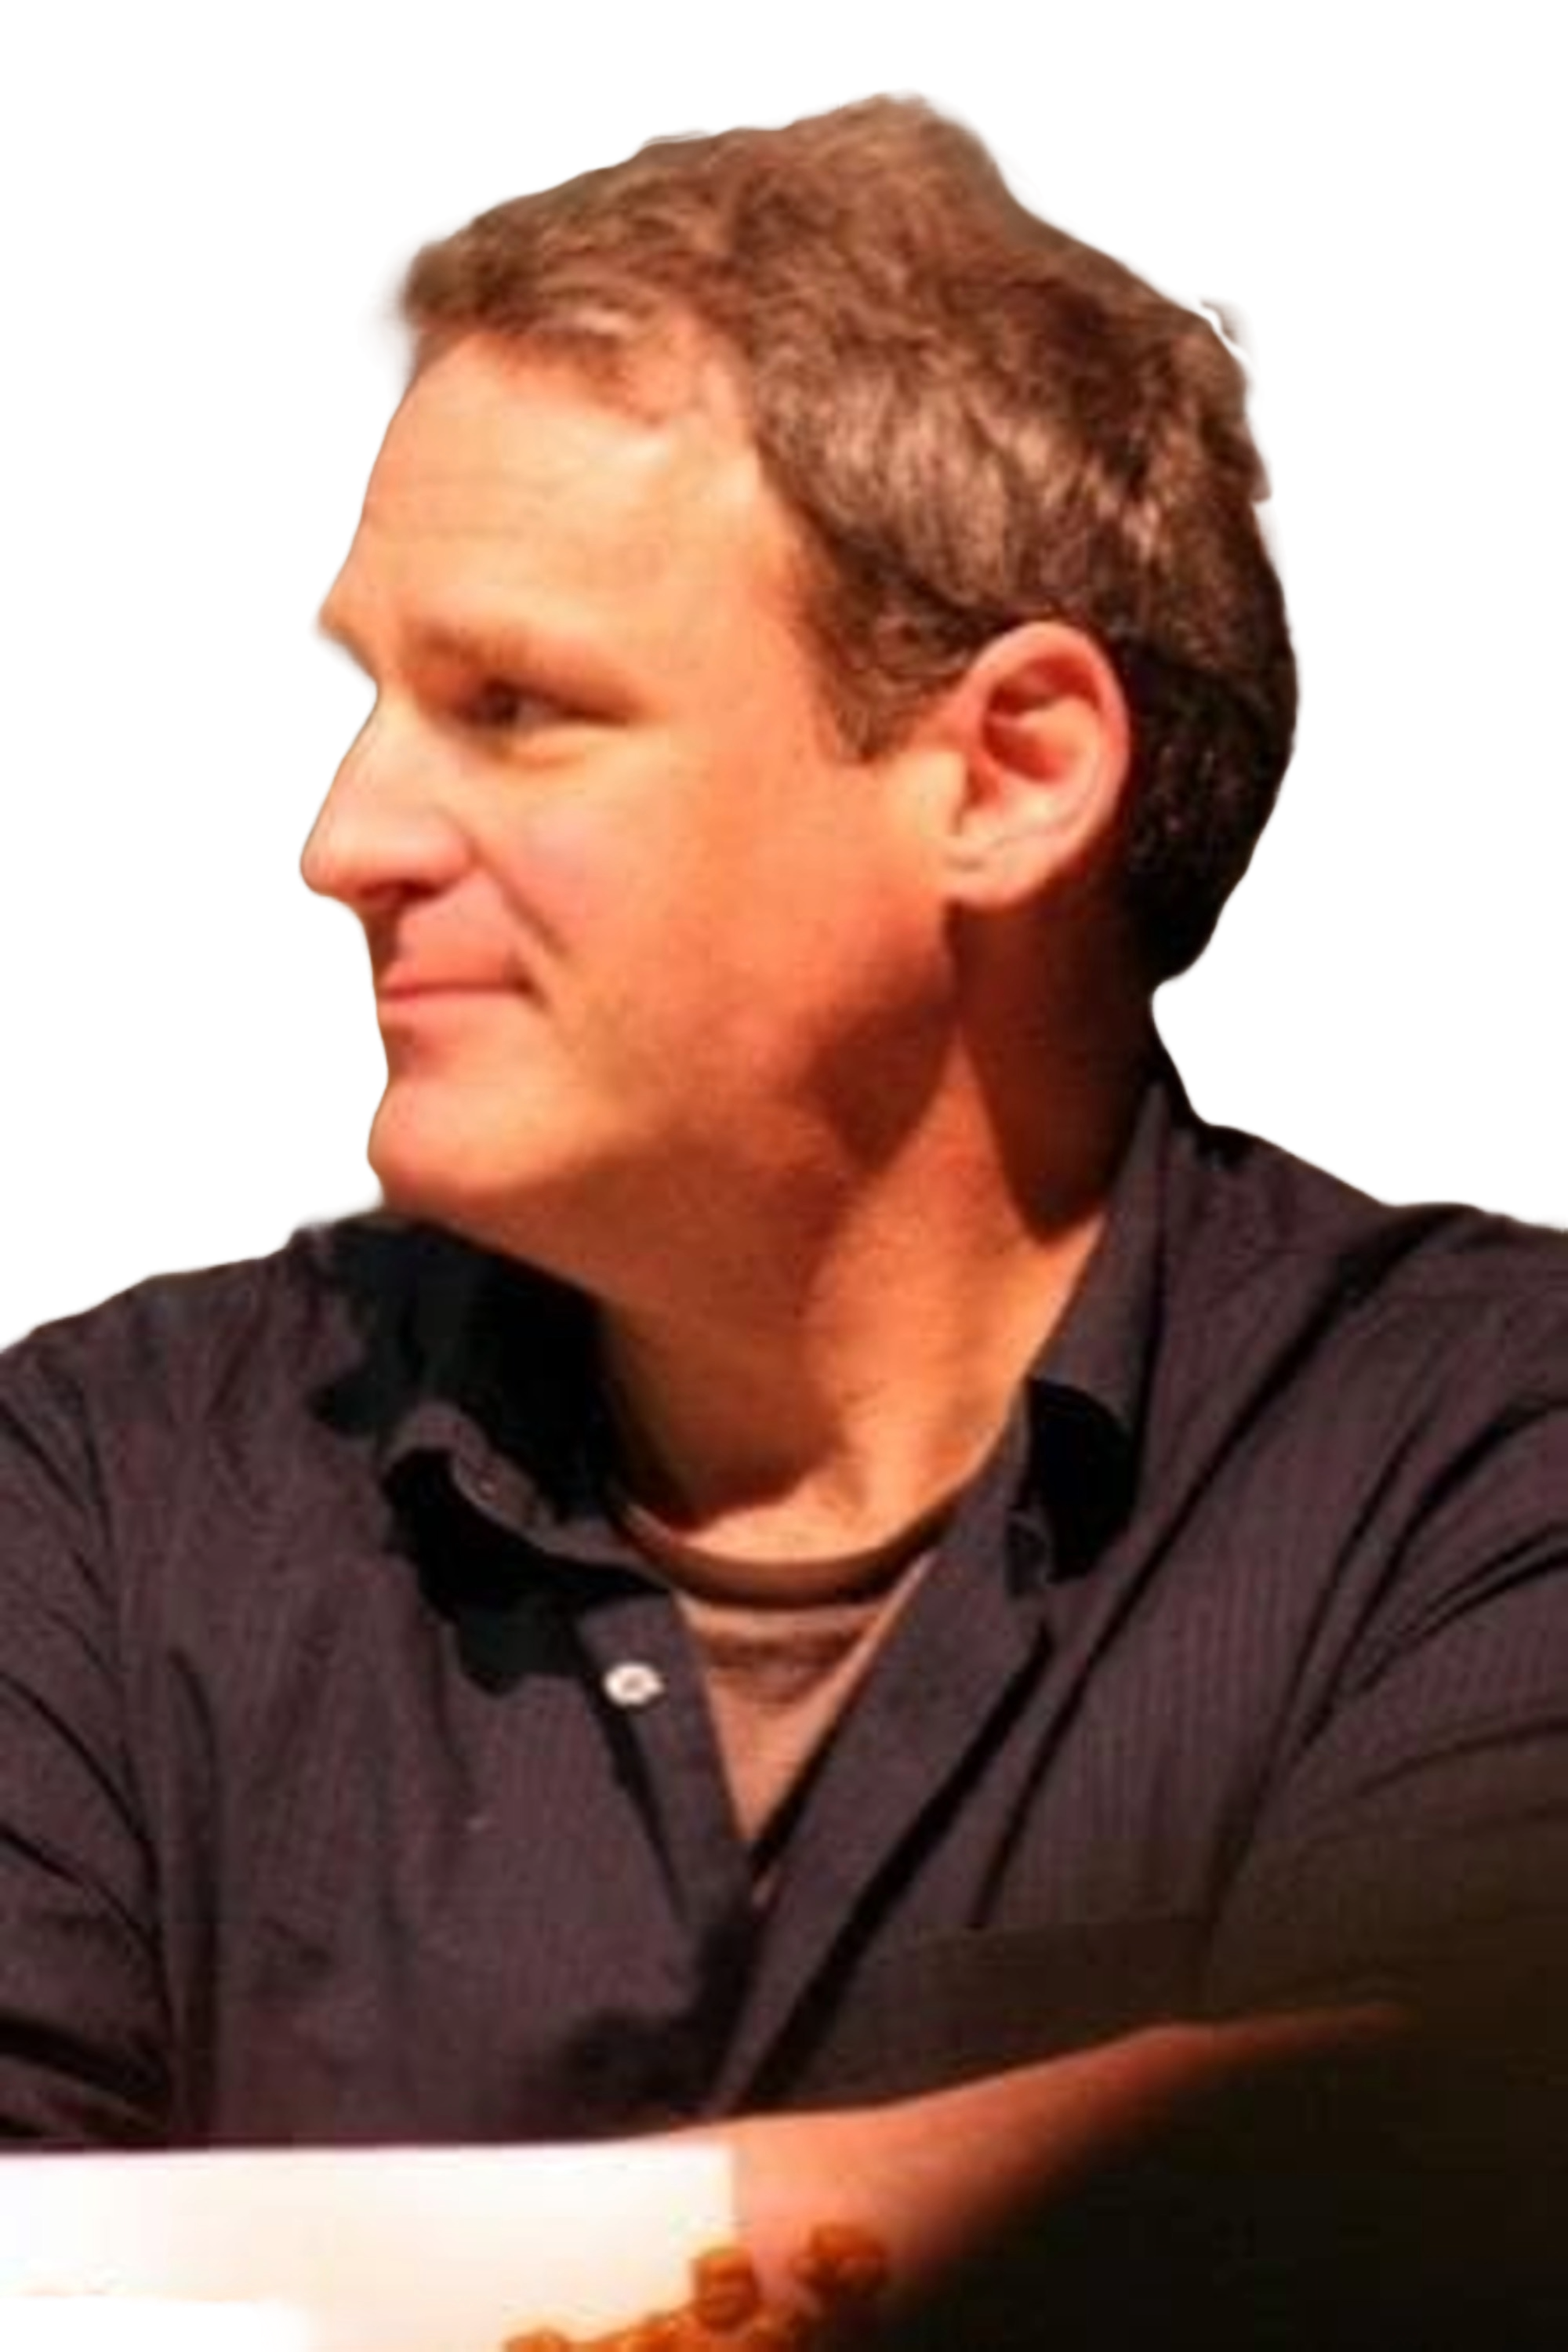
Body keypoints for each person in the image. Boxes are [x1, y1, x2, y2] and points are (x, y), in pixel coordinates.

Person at [2, 90, 1564, 2344]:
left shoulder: (1490, 1452)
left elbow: (1454, 2204)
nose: (347, 842)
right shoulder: (105, 1483)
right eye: (371, 701)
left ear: (1010, 772)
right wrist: (1062, 2181)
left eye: (515, 706)